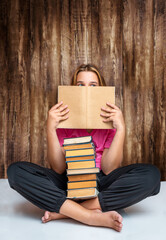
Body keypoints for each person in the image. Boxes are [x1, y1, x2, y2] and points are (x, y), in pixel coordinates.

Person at [7, 64, 160, 232]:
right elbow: (58, 168)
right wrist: (50, 128)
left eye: (93, 85)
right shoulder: (64, 120)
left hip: (100, 182)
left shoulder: (109, 123)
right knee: (15, 172)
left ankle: (67, 212)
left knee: (152, 176)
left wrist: (121, 128)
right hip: (68, 182)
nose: (86, 90)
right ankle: (89, 216)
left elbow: (109, 169)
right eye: (80, 85)